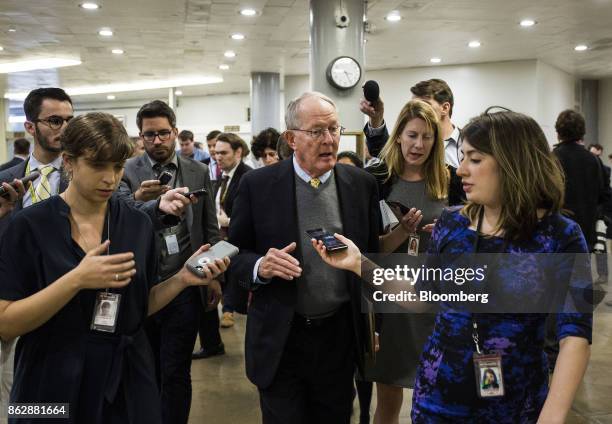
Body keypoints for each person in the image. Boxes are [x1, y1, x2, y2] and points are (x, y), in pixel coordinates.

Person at [311, 109, 592, 423]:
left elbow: (575, 337)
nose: (460, 171)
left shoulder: (560, 236)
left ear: (512, 161)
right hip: (437, 400)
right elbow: (419, 298)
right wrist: (359, 263)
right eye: (462, 157)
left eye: (474, 159)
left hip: (516, 405)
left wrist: (551, 418)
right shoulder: (452, 223)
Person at [0, 112, 229, 424]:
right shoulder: (28, 225)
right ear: (69, 161)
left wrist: (182, 280)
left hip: (127, 377)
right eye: (98, 166)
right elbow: (6, 324)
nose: (110, 178)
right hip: (48, 380)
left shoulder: (136, 222)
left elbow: (136, 306)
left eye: (118, 166)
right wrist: (77, 280)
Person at [228, 91, 379, 423]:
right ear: (291, 138)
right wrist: (259, 266)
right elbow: (233, 255)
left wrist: (375, 327)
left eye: (334, 129)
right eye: (316, 132)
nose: (328, 140)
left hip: (338, 337)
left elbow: (371, 260)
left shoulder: (361, 185)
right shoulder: (258, 185)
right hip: (282, 337)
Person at [116, 100, 221, 424]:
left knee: (176, 370)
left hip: (186, 287)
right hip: (142, 286)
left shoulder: (198, 169)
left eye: (163, 133)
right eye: (150, 135)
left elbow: (211, 228)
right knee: (146, 369)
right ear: (140, 136)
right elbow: (115, 217)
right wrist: (139, 201)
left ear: (175, 132)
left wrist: (213, 275)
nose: (157, 140)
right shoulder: (127, 171)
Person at [366, 100, 448, 424]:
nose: (418, 145)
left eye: (427, 137)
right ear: (398, 135)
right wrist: (403, 231)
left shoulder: (448, 180)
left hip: (435, 297)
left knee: (437, 394)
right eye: (412, 135)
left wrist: (446, 235)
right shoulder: (376, 180)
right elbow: (367, 250)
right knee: (388, 396)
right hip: (390, 300)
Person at [360, 78, 464, 206]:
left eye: (425, 105)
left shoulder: (466, 146)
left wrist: (446, 225)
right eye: (412, 135)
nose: (419, 145)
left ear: (445, 107)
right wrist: (376, 119)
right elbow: (387, 154)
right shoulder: (385, 172)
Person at [214, 132, 252, 327]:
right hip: (222, 235)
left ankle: (229, 308)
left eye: (223, 152)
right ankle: (226, 307)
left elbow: (250, 213)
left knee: (231, 273)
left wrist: (228, 221)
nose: (218, 157)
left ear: (238, 152)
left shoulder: (247, 175)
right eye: (215, 153)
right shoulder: (224, 176)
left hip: (238, 237)